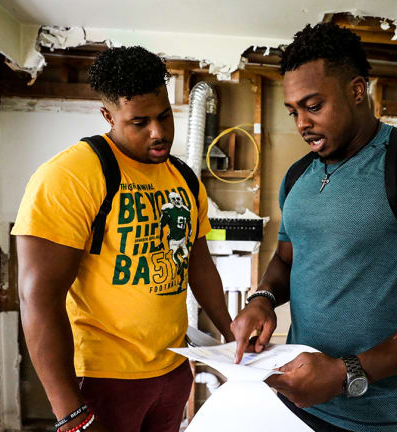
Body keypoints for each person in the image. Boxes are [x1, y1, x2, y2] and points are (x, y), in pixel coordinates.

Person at [231, 23, 397, 432]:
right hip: (294, 398)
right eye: (294, 111)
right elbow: (287, 259)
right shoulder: (297, 177)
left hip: (376, 418)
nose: (302, 123)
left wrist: (344, 373)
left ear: (356, 90)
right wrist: (262, 298)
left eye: (314, 106)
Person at [13, 46, 234, 432]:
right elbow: (38, 297)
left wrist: (231, 333)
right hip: (103, 379)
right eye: (139, 122)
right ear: (108, 116)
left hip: (172, 370)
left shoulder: (183, 178)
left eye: (164, 115)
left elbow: (198, 264)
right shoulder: (71, 176)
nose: (158, 132)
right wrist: (70, 413)